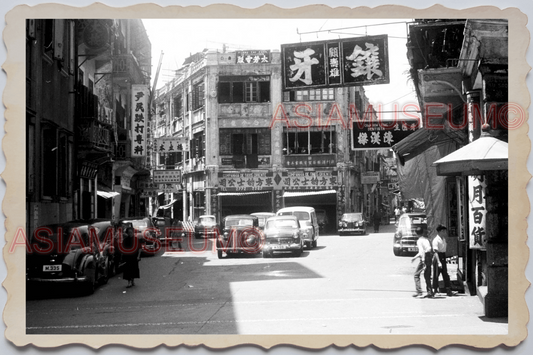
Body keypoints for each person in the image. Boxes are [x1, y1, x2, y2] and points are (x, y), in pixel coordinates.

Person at [432, 224, 456, 296]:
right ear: (439, 231)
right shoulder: (436, 240)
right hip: (437, 257)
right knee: (436, 274)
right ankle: (435, 289)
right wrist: (439, 262)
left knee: (445, 274)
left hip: (443, 256)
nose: (444, 232)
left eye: (444, 231)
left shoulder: (443, 239)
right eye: (443, 231)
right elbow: (435, 252)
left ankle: (448, 289)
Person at [411, 226, 434, 298]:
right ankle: (430, 292)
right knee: (427, 275)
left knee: (416, 274)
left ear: (416, 233)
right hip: (429, 256)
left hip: (424, 258)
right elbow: (427, 250)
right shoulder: (425, 239)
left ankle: (419, 291)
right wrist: (415, 257)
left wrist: (423, 261)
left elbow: (422, 252)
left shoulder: (419, 241)